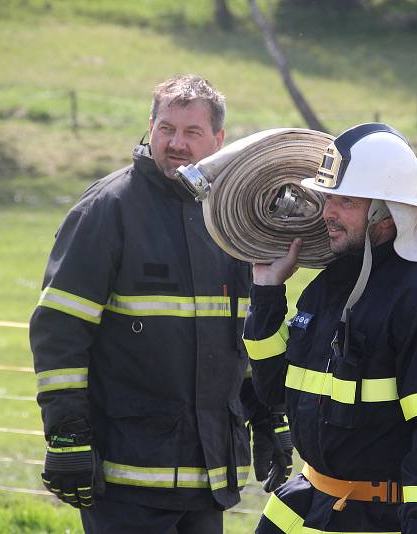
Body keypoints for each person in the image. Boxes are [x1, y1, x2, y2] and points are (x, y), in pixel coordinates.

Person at [30, 74, 292, 534]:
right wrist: (66, 433)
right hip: (125, 479)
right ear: (149, 127)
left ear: (219, 140)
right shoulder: (108, 209)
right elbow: (59, 331)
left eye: (192, 133)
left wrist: (269, 415)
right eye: (166, 129)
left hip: (208, 479)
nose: (177, 144)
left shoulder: (231, 221)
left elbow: (244, 338)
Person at [243, 123, 417, 533]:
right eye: (329, 198)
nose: (328, 212)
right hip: (307, 507)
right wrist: (266, 293)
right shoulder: (329, 285)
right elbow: (275, 391)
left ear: (388, 212)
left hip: (377, 520)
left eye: (346, 201)